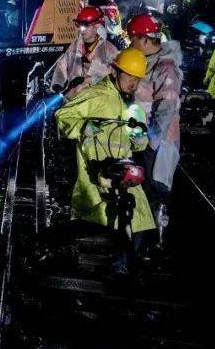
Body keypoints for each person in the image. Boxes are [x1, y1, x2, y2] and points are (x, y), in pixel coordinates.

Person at [55, 48, 156, 235]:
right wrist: (84, 127)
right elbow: (63, 116)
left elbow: (138, 144)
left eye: (137, 78)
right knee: (105, 229)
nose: (134, 83)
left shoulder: (130, 105)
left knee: (134, 228)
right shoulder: (97, 95)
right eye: (129, 76)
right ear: (115, 71)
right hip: (95, 178)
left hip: (123, 176)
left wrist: (139, 137)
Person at [127, 13, 183, 210]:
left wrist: (152, 142)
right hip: (141, 137)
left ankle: (151, 237)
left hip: (158, 142)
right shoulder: (146, 61)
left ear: (144, 39)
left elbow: (165, 108)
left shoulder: (165, 67)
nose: (130, 43)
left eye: (132, 39)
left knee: (152, 192)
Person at [48, 6, 120, 98]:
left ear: (96, 26)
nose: (81, 29)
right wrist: (58, 83)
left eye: (85, 25)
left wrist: (88, 80)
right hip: (72, 99)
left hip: (97, 101)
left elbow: (114, 76)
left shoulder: (109, 50)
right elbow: (62, 65)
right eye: (79, 25)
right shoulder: (75, 45)